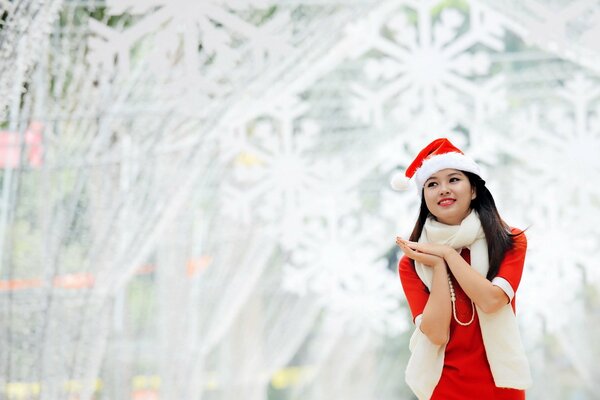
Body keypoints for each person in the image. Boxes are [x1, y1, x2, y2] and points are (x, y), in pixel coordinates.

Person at [391, 138, 532, 400]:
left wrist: (446, 254)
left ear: (474, 189)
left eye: (454, 179)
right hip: (444, 387)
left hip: (501, 385)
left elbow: (492, 301)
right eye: (432, 184)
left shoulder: (509, 240)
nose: (443, 189)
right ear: (424, 197)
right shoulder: (412, 262)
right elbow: (436, 333)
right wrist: (437, 265)